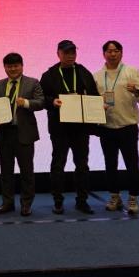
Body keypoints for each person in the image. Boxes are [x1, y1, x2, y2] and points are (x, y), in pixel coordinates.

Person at [40, 40, 99, 215]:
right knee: (58, 164)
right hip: (59, 128)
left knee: (82, 164)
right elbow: (42, 98)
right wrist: (52, 101)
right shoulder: (49, 74)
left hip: (81, 128)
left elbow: (94, 95)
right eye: (66, 52)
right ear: (58, 54)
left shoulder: (83, 72)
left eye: (73, 52)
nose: (70, 56)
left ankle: (82, 201)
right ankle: (58, 201)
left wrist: (99, 106)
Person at [94, 40, 139, 214]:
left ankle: (133, 198)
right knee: (110, 164)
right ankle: (114, 196)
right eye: (109, 51)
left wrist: (137, 91)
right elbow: (93, 101)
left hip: (128, 126)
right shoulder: (97, 76)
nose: (113, 54)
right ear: (103, 54)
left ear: (121, 53)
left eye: (116, 50)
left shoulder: (132, 71)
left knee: (132, 164)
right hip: (106, 127)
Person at [0, 53, 45, 216]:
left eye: (16, 66)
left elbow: (41, 102)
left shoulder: (33, 82)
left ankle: (26, 204)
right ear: (5, 67)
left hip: (24, 133)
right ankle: (7, 203)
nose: (13, 69)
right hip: (4, 133)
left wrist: (26, 103)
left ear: (22, 66)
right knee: (5, 171)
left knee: (27, 171)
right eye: (9, 66)